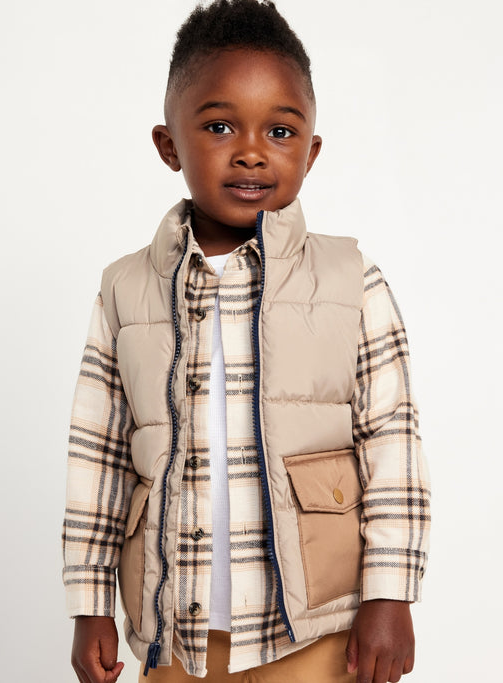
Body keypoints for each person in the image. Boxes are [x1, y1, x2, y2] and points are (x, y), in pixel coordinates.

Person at [62, 1, 431, 682]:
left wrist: (391, 592)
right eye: (219, 125)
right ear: (169, 145)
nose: (252, 150)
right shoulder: (125, 288)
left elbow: (392, 443)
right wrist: (90, 603)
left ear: (310, 151)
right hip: (176, 633)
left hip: (317, 630)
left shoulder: (353, 280)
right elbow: (98, 455)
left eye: (281, 130)